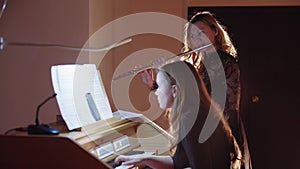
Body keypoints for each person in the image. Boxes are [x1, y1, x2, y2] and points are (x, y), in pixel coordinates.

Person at [140, 11, 251, 168]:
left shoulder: (222, 60)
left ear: (215, 31)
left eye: (201, 33)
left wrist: (168, 71)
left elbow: (198, 95)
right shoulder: (201, 63)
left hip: (219, 127)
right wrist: (156, 83)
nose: (196, 39)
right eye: (192, 36)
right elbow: (184, 91)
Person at [115, 61, 242, 169]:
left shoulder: (189, 119)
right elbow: (180, 162)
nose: (155, 93)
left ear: (175, 90)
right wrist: (144, 158)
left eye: (158, 87)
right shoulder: (196, 111)